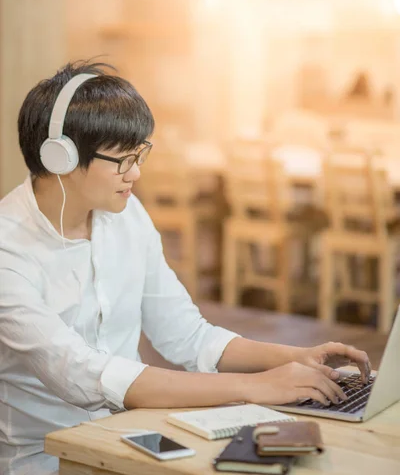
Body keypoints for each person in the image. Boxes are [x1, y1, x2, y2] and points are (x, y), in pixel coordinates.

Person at [0, 60, 371, 474]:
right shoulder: (8, 251)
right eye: (123, 160)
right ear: (60, 157)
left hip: (129, 435)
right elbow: (83, 375)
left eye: (139, 154)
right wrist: (257, 386)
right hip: (44, 459)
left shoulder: (126, 215)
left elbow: (188, 336)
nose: (136, 173)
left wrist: (296, 358)